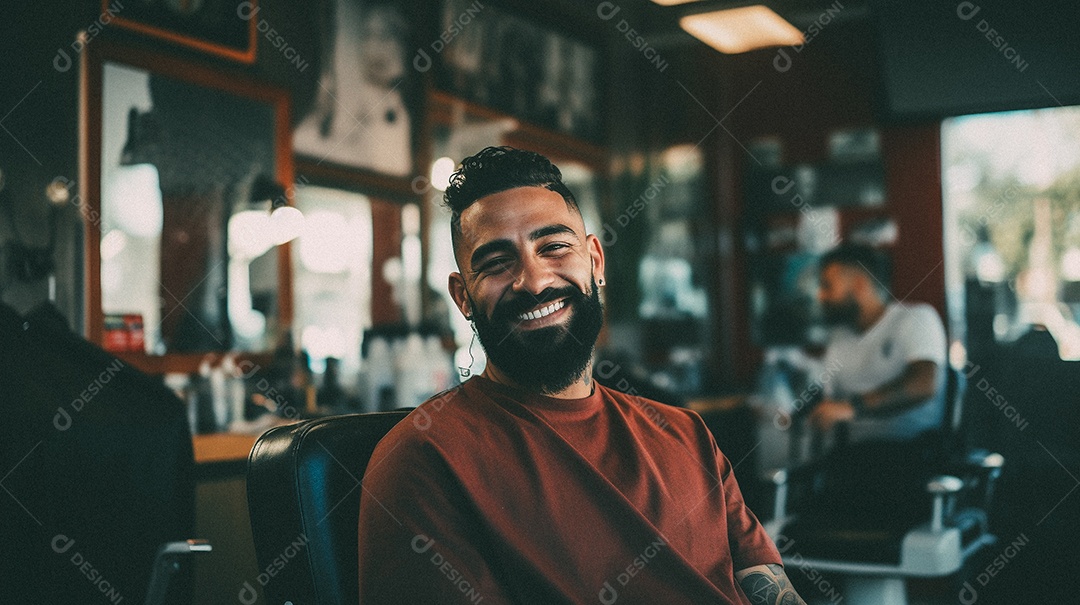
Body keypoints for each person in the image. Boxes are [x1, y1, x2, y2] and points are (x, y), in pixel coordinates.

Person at [357, 147, 805, 604]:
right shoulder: (424, 459)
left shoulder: (686, 434)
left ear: (595, 260)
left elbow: (770, 587)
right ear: (463, 297)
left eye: (553, 247)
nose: (534, 282)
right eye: (496, 263)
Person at [810, 243, 948, 444]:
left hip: (912, 450)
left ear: (859, 285)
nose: (820, 296)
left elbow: (923, 384)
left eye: (827, 286)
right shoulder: (839, 338)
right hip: (853, 453)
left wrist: (853, 408)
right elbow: (828, 400)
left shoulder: (916, 318)